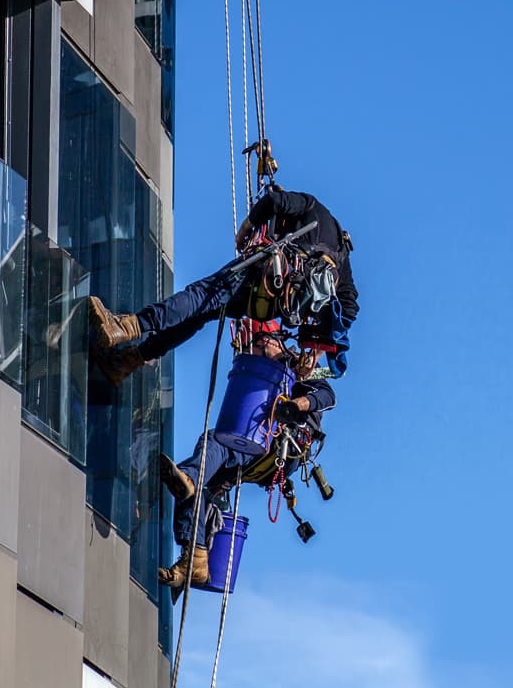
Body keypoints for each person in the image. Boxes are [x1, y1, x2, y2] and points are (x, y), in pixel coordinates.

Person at [87, 187, 359, 386]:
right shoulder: (341, 257)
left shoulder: (312, 207)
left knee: (200, 296)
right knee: (201, 313)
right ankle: (129, 360)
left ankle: (126, 327)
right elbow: (349, 308)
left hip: (263, 276)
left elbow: (276, 201)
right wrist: (315, 352)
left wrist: (247, 227)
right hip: (269, 307)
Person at [157, 323, 335, 588]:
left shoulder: (300, 370)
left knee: (211, 445)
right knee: (197, 483)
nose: (256, 351)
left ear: (275, 342)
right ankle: (195, 560)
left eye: (260, 345)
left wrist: (295, 405)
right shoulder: (256, 371)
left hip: (280, 449)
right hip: (250, 446)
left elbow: (326, 395)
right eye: (254, 347)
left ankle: (192, 484)